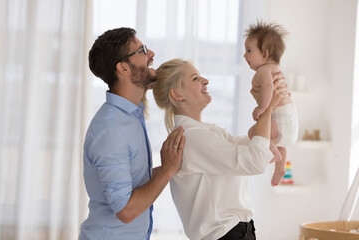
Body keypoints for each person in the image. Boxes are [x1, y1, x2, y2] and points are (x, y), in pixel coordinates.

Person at [151, 58, 289, 240]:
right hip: (227, 234)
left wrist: (269, 105)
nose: (205, 81)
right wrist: (268, 107)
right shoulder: (192, 138)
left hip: (235, 232)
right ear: (177, 94)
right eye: (195, 78)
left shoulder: (206, 133)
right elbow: (255, 161)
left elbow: (260, 148)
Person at [78, 28, 185, 240]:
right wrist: (167, 171)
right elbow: (125, 210)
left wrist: (170, 166)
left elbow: (133, 185)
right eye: (142, 50)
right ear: (124, 68)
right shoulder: (111, 129)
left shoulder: (129, 116)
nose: (152, 54)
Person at [243, 21, 299, 186]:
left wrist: (262, 107)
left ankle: (274, 156)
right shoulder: (275, 69)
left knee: (254, 133)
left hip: (280, 119)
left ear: (265, 54)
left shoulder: (264, 70)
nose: (244, 55)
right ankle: (280, 167)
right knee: (278, 142)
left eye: (248, 51)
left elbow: (268, 87)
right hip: (289, 120)